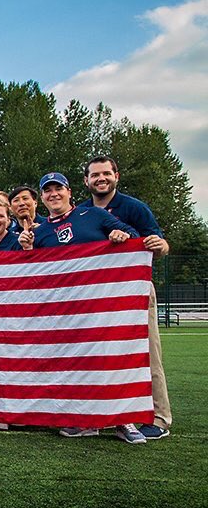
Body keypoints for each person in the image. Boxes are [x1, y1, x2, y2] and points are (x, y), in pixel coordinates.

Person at [18, 171, 144, 444]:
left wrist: (119, 235)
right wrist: (27, 251)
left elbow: (135, 237)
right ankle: (86, 421)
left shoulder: (95, 215)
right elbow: (35, 276)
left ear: (69, 191)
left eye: (58, 189)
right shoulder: (42, 234)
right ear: (42, 197)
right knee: (75, 365)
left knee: (110, 361)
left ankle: (124, 420)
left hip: (102, 305)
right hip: (65, 313)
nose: (54, 194)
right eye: (48, 191)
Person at [80, 155, 172, 439]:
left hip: (134, 292)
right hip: (94, 295)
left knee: (147, 352)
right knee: (97, 356)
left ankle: (158, 417)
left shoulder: (134, 208)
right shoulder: (82, 213)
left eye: (106, 173)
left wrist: (160, 245)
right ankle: (102, 413)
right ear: (86, 181)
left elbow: (160, 243)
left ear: (116, 176)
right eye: (95, 175)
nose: (100, 179)